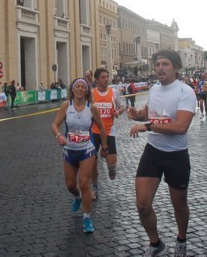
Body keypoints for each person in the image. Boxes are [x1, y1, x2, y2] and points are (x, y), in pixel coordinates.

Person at [128, 50, 196, 257]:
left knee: (180, 206)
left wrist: (147, 126)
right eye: (157, 64)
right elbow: (153, 116)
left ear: (175, 67)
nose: (160, 68)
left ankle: (181, 239)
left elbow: (181, 126)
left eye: (165, 64)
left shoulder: (186, 92)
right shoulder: (154, 89)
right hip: (153, 152)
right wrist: (139, 116)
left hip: (176, 154)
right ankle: (156, 243)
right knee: (142, 205)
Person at [51, 78, 108, 234]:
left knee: (84, 183)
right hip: (69, 149)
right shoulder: (66, 106)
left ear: (87, 91)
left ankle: (87, 217)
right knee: (71, 185)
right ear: (73, 89)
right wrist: (59, 136)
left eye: (83, 87)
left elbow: (102, 128)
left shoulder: (92, 108)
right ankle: (77, 197)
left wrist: (104, 146)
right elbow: (55, 125)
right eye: (78, 86)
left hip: (87, 149)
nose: (80, 89)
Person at [90, 67, 125, 200]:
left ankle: (111, 169)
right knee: (92, 162)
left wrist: (118, 112)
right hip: (94, 131)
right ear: (97, 80)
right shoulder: (92, 94)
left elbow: (122, 106)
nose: (106, 79)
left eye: (107, 77)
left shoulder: (114, 92)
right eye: (103, 77)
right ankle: (94, 186)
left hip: (109, 131)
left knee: (111, 166)